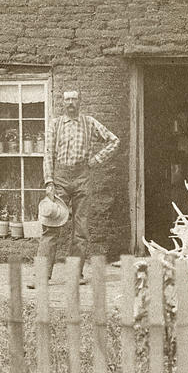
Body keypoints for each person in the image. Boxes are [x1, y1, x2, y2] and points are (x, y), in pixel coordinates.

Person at [32, 90, 119, 286]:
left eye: (74, 99)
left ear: (80, 101)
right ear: (63, 102)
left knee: (81, 229)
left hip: (82, 178)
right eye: (67, 99)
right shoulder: (55, 125)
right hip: (60, 178)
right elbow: (48, 154)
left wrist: (96, 160)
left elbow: (114, 141)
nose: (71, 102)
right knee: (51, 226)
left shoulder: (89, 123)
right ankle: (41, 275)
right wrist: (49, 182)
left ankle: (74, 274)